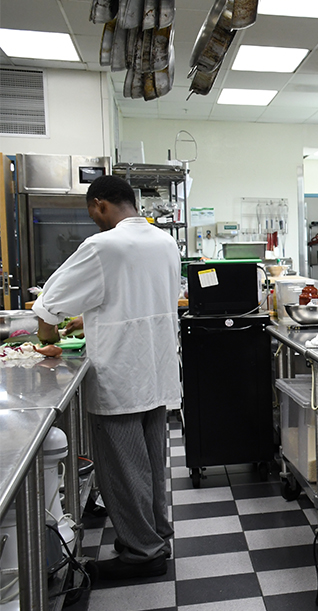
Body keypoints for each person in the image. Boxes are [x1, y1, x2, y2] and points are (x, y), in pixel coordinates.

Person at [34, 175, 181, 580]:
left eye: (92, 213)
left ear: (100, 204)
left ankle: (143, 552)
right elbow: (132, 298)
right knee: (151, 464)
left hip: (121, 372)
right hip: (156, 368)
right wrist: (90, 317)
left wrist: (47, 336)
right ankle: (156, 534)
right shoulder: (164, 241)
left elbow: (49, 305)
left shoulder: (103, 244)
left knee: (122, 468)